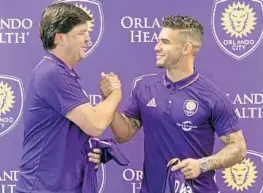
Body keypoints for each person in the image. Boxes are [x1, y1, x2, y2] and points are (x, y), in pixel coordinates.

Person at [100, 15, 247, 193]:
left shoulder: (213, 97)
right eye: (158, 41)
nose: (157, 47)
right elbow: (124, 134)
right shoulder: (144, 88)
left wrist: (202, 164)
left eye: (165, 42)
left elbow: (238, 148)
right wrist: (110, 99)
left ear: (186, 48)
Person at [15, 2, 121, 193]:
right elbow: (95, 124)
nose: (88, 39)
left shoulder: (60, 73)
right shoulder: (52, 73)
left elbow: (68, 132)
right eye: (81, 33)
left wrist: (88, 153)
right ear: (60, 38)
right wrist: (115, 94)